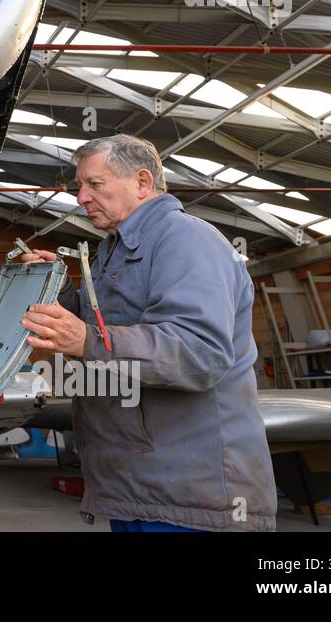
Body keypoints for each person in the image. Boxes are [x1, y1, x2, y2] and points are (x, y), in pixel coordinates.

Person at [19, 134, 277, 531]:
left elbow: (198, 353)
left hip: (193, 496)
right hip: (136, 486)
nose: (81, 197)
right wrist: (63, 293)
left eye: (95, 185)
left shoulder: (187, 239)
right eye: (80, 186)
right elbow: (112, 333)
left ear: (142, 182)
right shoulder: (113, 251)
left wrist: (85, 339)